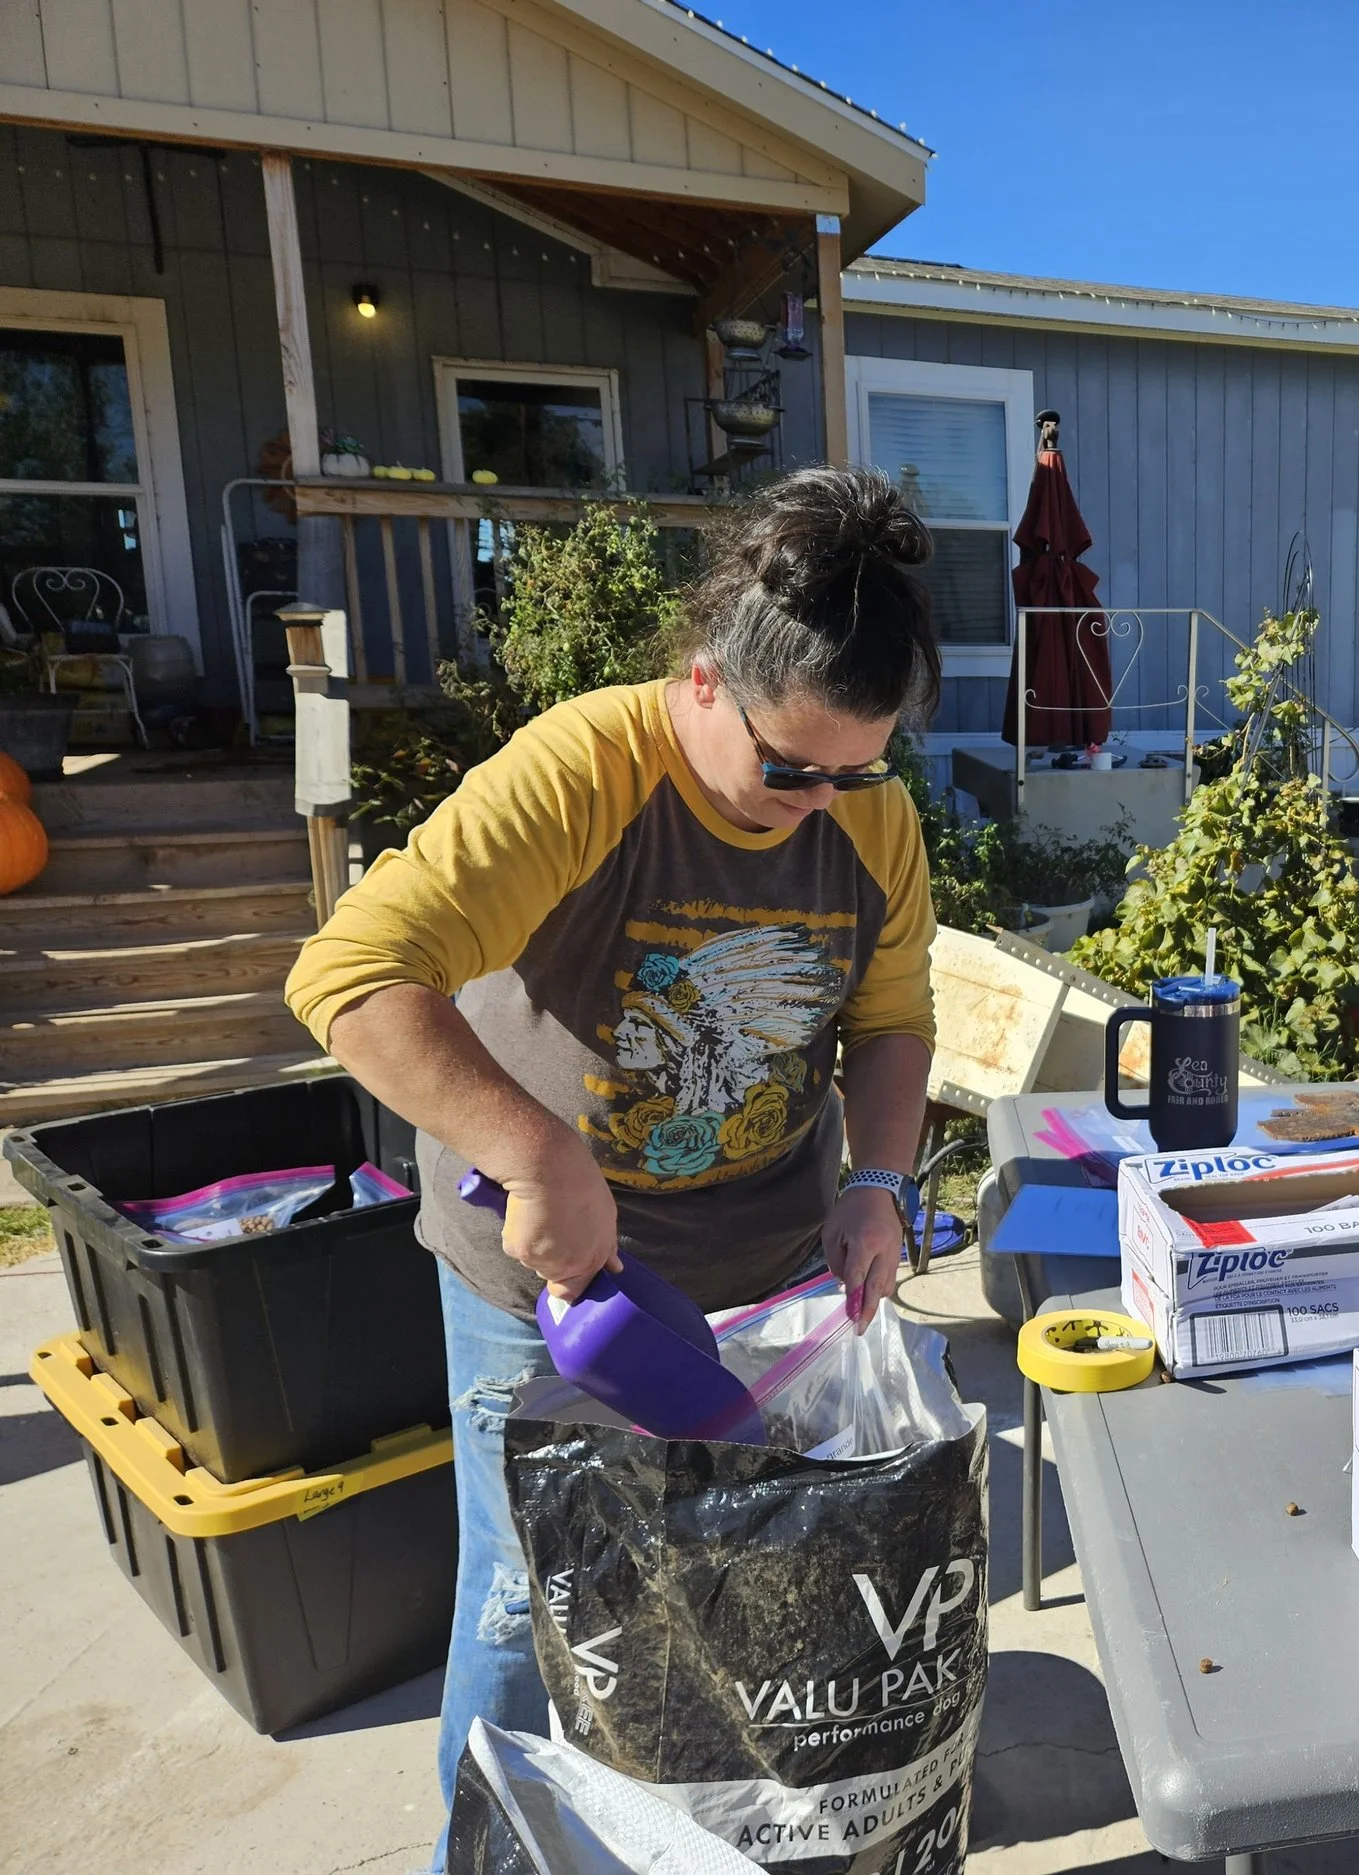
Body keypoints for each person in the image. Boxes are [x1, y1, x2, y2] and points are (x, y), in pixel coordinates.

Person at [283, 467, 942, 1868]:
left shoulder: (867, 820)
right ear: (704, 679)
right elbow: (348, 976)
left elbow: (891, 1021)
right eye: (789, 765)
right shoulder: (584, 772)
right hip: (551, 1288)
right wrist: (532, 1148)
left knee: (726, 1598)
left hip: (765, 1284)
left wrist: (878, 1178)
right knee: (531, 1603)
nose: (821, 803)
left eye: (856, 767)